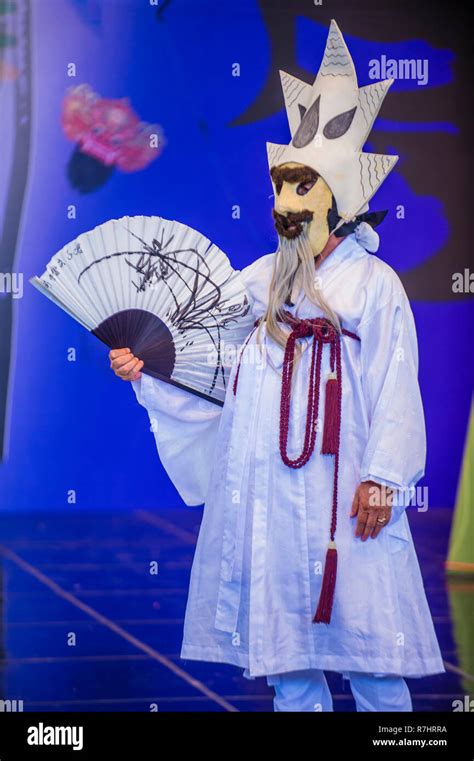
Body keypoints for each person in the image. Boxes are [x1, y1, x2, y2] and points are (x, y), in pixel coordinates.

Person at [109, 20, 445, 711]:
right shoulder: (262, 278)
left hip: (343, 491)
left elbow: (394, 387)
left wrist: (384, 478)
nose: (286, 204)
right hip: (270, 496)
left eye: (303, 188)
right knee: (288, 659)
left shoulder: (375, 285)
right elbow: (206, 349)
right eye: (281, 188)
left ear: (339, 198)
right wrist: (146, 364)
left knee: (370, 656)